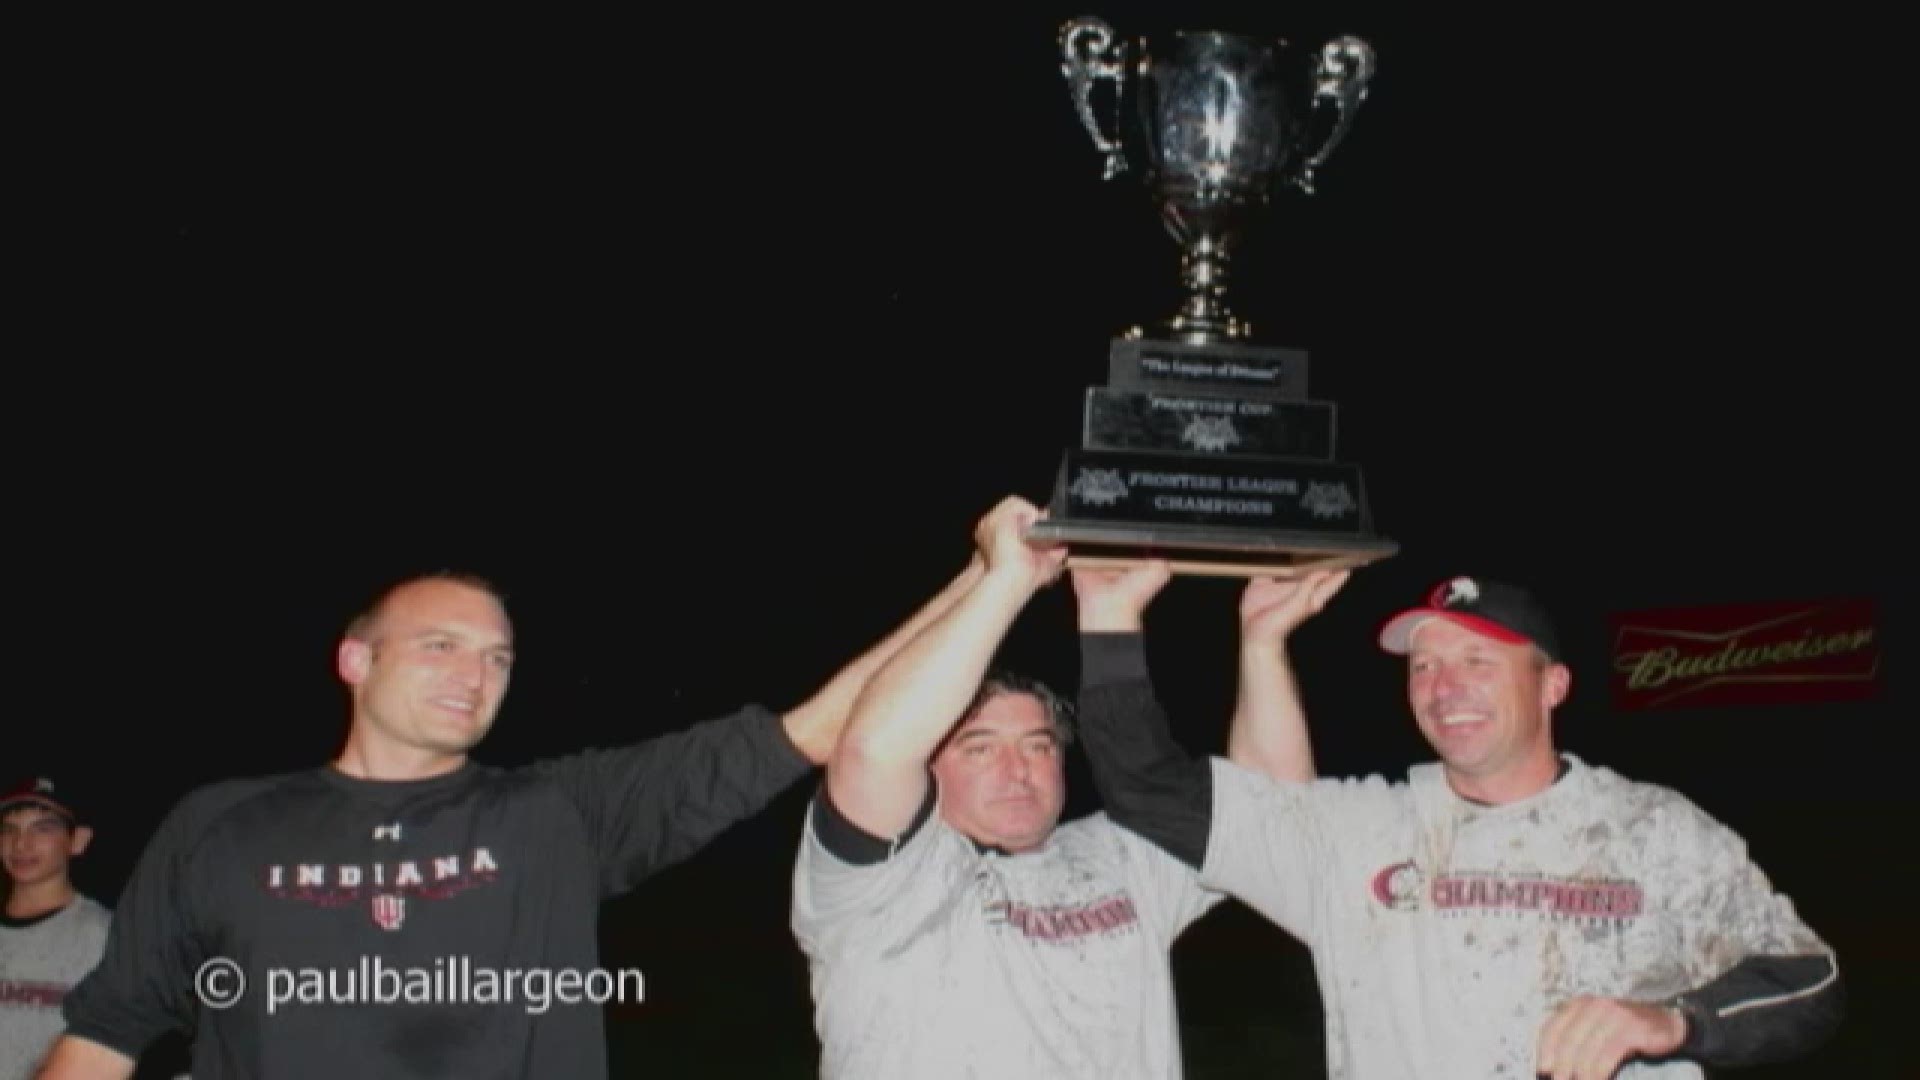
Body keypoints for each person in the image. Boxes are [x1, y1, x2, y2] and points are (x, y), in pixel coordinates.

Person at [38, 566, 979, 1079]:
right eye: (440, 646)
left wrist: (990, 577)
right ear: (354, 659)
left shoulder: (550, 817)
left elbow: (811, 729)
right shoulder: (222, 825)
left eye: (497, 657)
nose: (473, 674)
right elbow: (105, 1038)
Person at [1073, 567, 1845, 1079]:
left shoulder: (1655, 831)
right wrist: (1110, 616)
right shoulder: (1361, 831)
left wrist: (1672, 1022)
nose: (1445, 687)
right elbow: (1149, 789)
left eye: (1480, 661)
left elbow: (1811, 981)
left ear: (1554, 685)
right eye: (1424, 665)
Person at [789, 497, 1327, 1079]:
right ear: (929, 765)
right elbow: (871, 751)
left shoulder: (1119, 857)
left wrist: (1260, 640)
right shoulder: (878, 884)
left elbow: (1272, 809)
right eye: (981, 746)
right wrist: (1007, 582)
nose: (1017, 768)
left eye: (1038, 745)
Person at [1, 779, 111, 1080]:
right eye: (9, 829)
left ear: (78, 840)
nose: (21, 844)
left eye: (43, 828)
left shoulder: (106, 937)